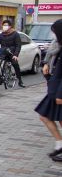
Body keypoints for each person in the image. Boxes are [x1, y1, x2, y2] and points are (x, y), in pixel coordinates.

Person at [36, 20, 62, 162]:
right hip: (55, 88)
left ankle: (60, 145)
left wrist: (60, 94)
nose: (53, 34)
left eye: (55, 31)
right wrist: (46, 64)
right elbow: (51, 59)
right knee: (46, 116)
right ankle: (59, 144)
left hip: (59, 91)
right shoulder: (57, 45)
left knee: (50, 117)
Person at [0, 20, 25, 88]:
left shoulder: (15, 34)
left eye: (6, 25)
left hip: (12, 53)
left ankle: (20, 81)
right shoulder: (1, 35)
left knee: (15, 64)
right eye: (4, 25)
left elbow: (18, 45)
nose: (4, 27)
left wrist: (16, 55)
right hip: (3, 52)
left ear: (10, 26)